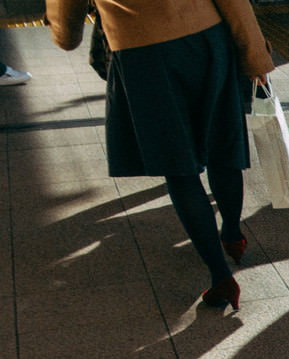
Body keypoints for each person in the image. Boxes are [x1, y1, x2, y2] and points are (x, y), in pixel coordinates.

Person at [45, 0, 271, 309]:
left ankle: (221, 277)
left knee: (180, 169)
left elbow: (65, 20)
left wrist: (64, 33)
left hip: (142, 54)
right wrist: (255, 57)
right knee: (220, 146)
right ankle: (232, 234)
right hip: (208, 40)